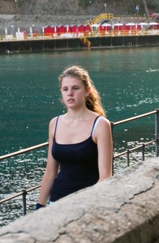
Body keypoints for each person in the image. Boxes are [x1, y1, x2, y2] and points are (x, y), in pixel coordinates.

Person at [37, 66, 114, 207]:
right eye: (65, 89)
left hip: (86, 204)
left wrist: (85, 205)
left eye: (75, 88)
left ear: (87, 91)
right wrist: (40, 207)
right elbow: (50, 172)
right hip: (56, 203)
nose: (70, 93)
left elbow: (105, 176)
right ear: (61, 92)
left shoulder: (101, 125)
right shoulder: (55, 123)